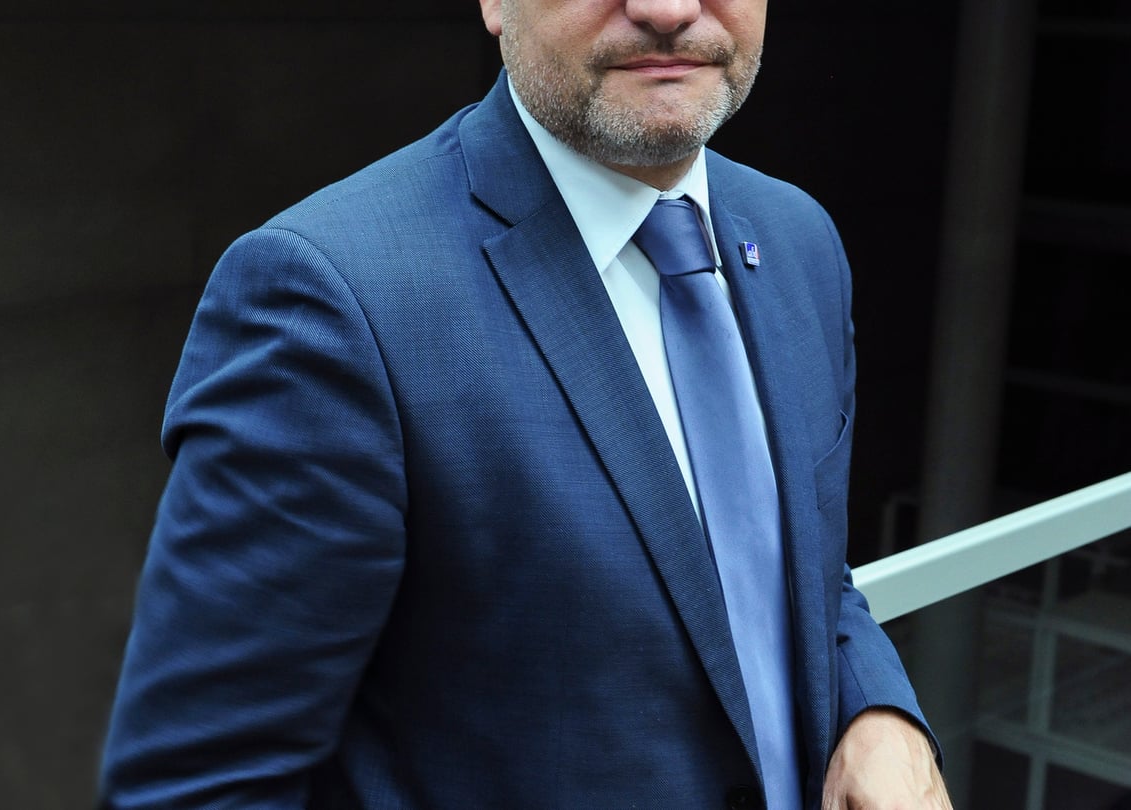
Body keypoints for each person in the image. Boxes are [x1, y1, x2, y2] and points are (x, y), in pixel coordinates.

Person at [100, 0, 953, 807]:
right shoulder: (331, 299)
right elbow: (200, 784)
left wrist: (879, 712)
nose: (665, 8)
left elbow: (802, 574)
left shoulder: (799, 239)